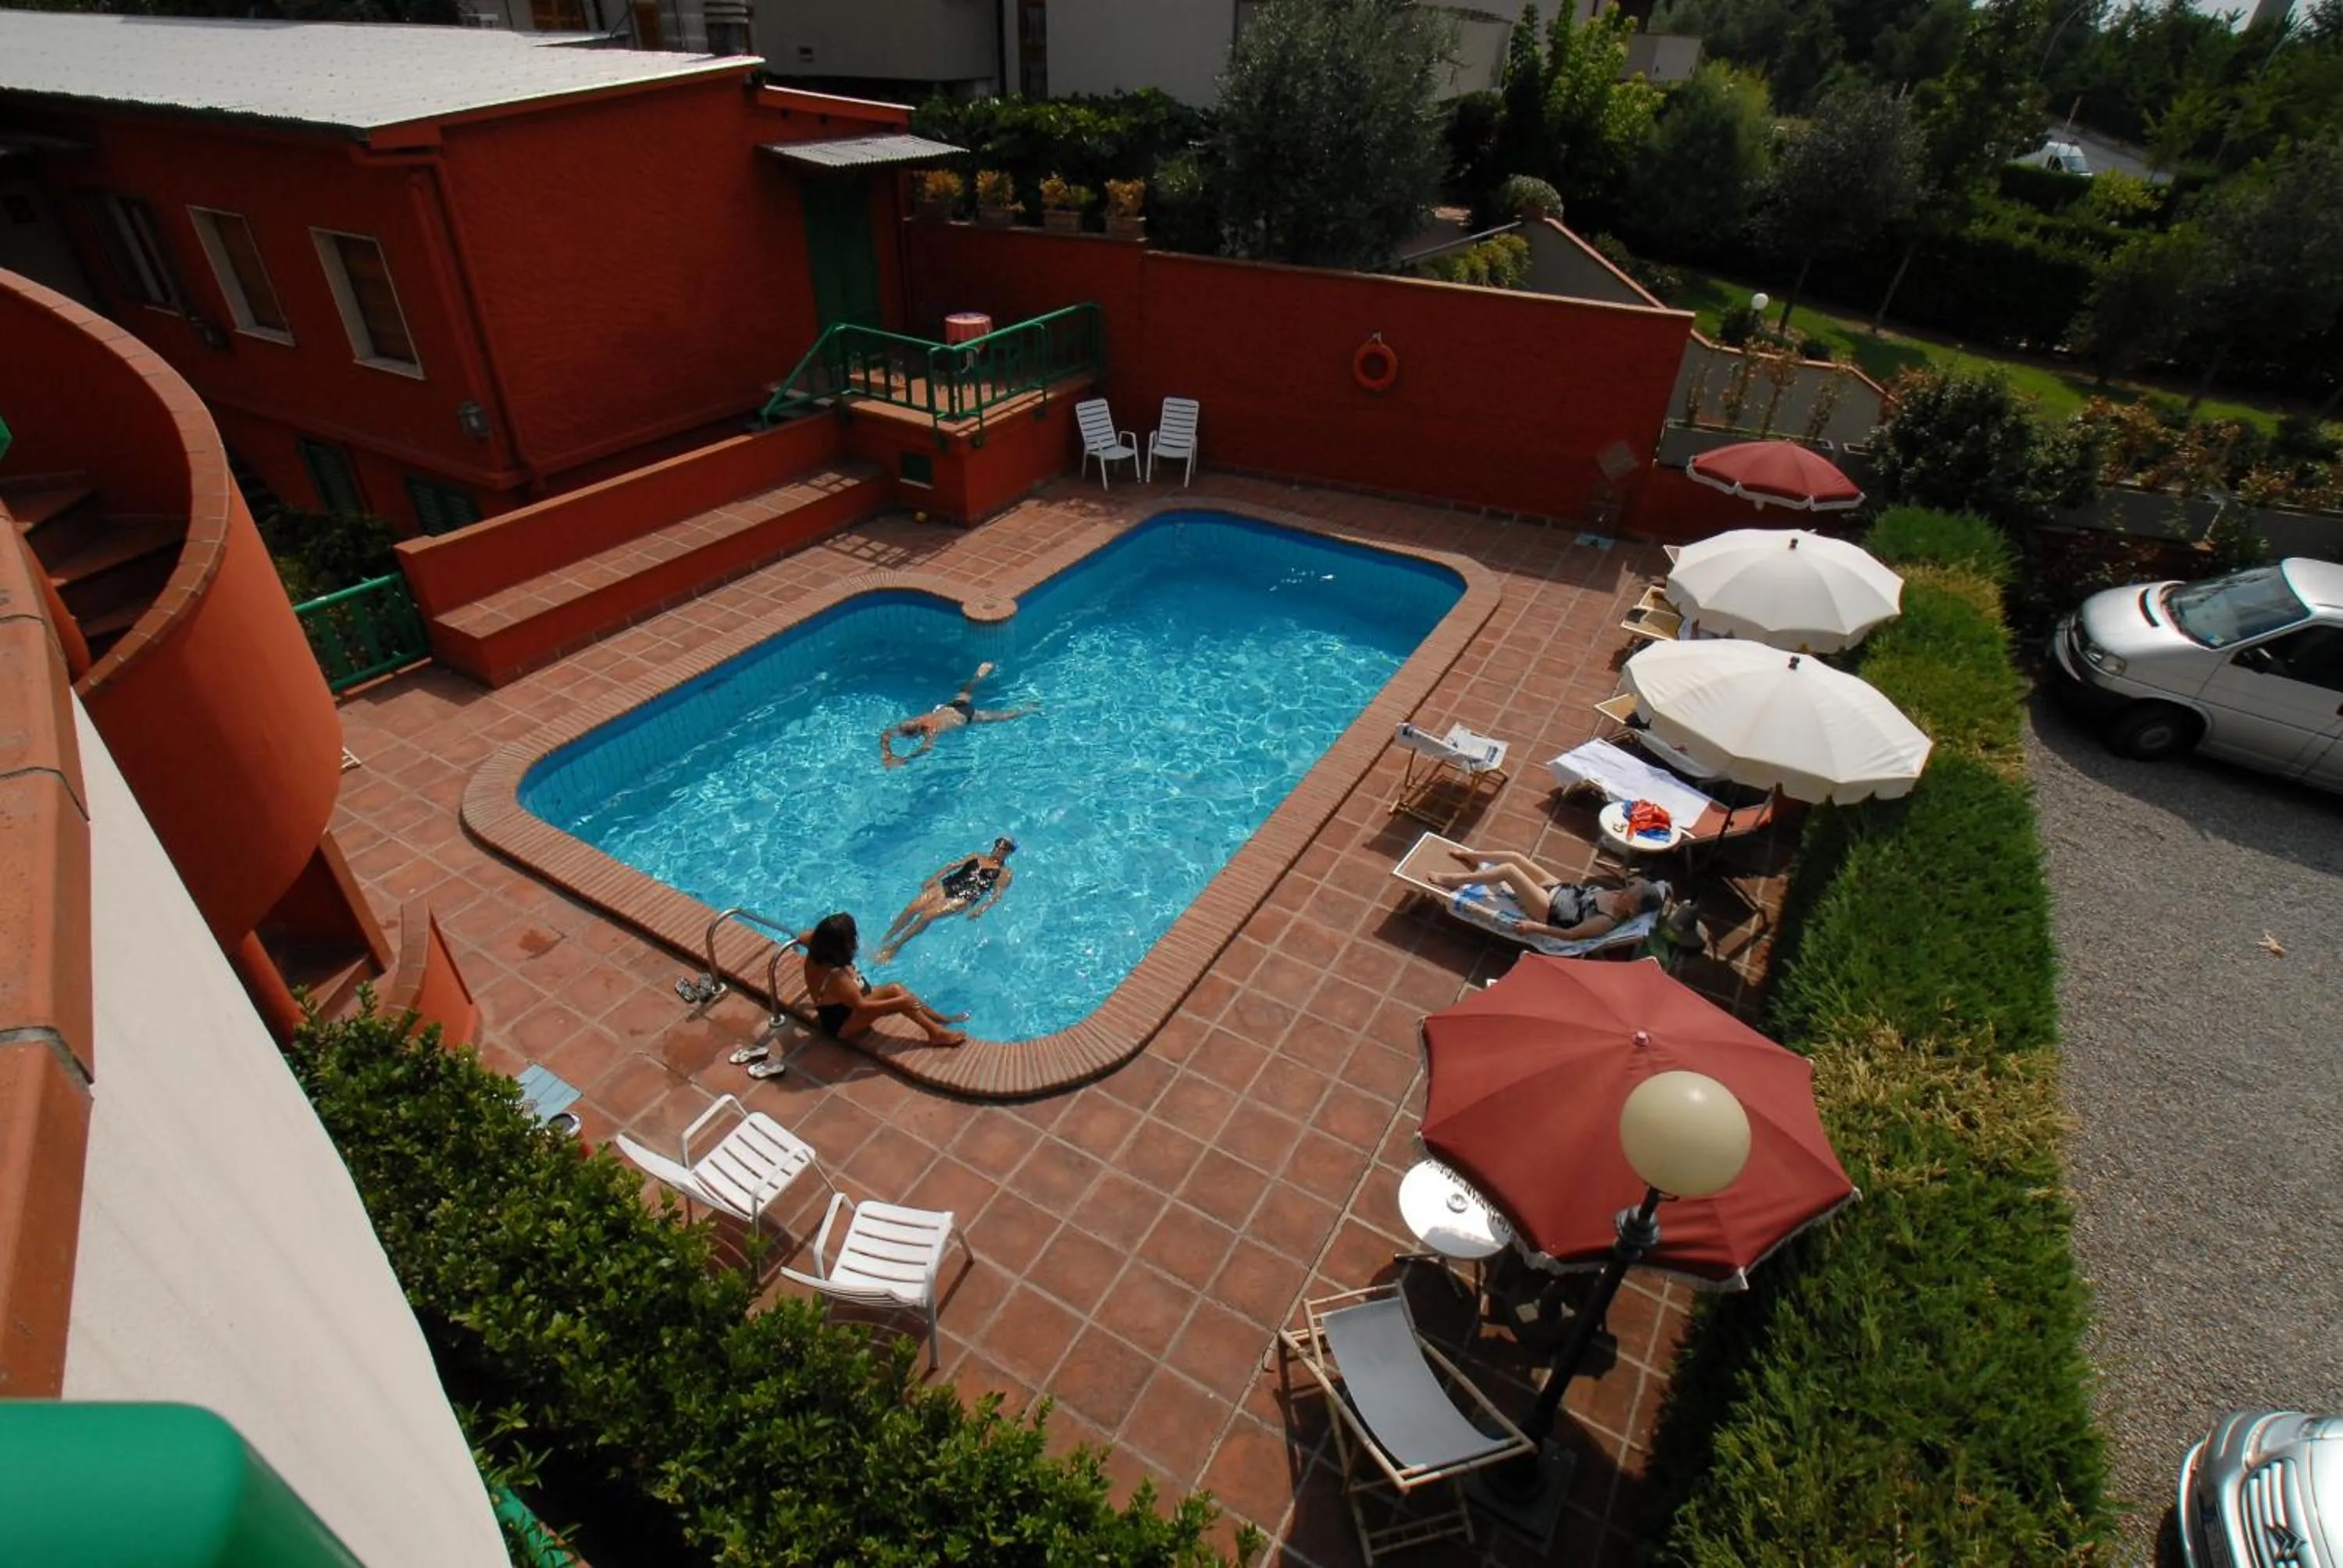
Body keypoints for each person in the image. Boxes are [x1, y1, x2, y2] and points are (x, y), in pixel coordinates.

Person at [797, 912, 968, 1056]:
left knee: (896, 989)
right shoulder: (837, 979)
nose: (855, 941)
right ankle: (935, 1033)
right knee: (896, 994)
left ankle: (940, 1020)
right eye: (852, 938)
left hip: (841, 1006)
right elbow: (862, 1006)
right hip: (841, 1024)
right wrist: (899, 1003)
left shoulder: (817, 945)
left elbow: (801, 936)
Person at [1423, 846, 1667, 941]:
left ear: (1632, 909)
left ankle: (1452, 880)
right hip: (1560, 889)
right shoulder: (1620, 898)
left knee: (1509, 871)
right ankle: (1473, 856)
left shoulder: (1605, 920)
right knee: (1516, 858)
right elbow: (1632, 882)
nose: (1624, 891)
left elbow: (1570, 935)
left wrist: (1534, 927)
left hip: (1549, 909)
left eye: (1629, 894)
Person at [876, 837, 1018, 962]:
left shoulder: (1005, 873)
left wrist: (981, 909)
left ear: (1009, 852)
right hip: (948, 885)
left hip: (965, 897)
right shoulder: (977, 856)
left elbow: (997, 896)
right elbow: (952, 866)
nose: (999, 848)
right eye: (998, 844)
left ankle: (895, 946)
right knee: (911, 908)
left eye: (1004, 847)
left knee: (926, 916)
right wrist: (934, 877)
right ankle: (886, 938)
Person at [879, 661, 1035, 768]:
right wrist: (887, 754)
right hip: (954, 707)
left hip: (966, 716)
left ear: (915, 734)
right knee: (967, 688)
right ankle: (981, 673)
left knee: (1002, 717)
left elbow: (926, 748)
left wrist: (905, 759)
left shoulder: (930, 731)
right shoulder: (917, 721)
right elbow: (886, 734)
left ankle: (1027, 709)